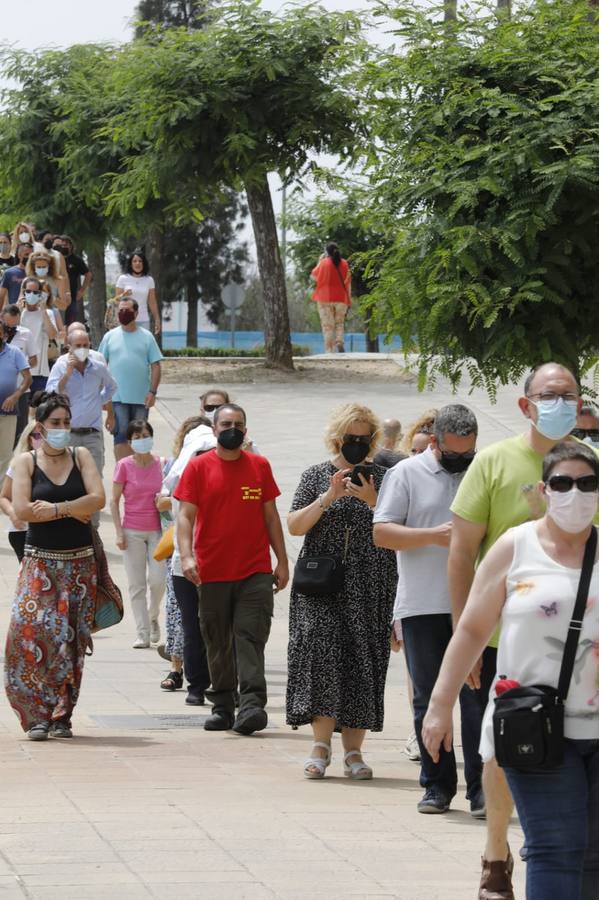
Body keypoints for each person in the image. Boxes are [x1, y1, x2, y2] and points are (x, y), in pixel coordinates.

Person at [424, 440, 599, 900]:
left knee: (594, 855)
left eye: (587, 483)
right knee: (554, 848)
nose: (574, 493)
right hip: (535, 725)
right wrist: (439, 705)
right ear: (543, 489)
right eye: (562, 483)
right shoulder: (515, 546)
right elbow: (471, 629)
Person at [373, 404, 484, 814]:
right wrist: (433, 537)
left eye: (468, 452)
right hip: (423, 604)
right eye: (455, 454)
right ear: (435, 441)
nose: (462, 461)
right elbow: (382, 532)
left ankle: (480, 788)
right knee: (428, 697)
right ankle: (437, 786)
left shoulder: (482, 469)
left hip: (478, 605)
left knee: (478, 699)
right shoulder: (406, 473)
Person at [286, 402, 397, 778]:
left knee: (362, 659)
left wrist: (373, 501)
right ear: (337, 438)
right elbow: (295, 526)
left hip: (372, 582)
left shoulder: (387, 477)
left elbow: (401, 527)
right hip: (320, 584)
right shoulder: (316, 476)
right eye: (352, 438)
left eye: (365, 438)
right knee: (321, 653)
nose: (358, 444)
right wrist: (328, 497)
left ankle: (354, 751)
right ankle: (320, 744)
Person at [176, 403, 289, 735]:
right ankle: (223, 705)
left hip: (254, 571)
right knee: (218, 640)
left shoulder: (259, 466)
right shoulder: (198, 467)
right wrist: (186, 556)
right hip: (210, 571)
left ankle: (252, 705)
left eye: (239, 424)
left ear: (246, 429)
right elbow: (184, 516)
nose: (233, 429)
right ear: (214, 430)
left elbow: (270, 515)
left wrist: (282, 560)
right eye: (226, 423)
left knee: (249, 636)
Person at [4, 391, 105, 740]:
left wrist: (57, 509)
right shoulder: (25, 463)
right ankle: (35, 714)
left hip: (80, 565)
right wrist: (76, 507)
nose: (62, 428)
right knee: (29, 633)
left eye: (66, 422)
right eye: (55, 423)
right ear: (41, 427)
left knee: (72, 642)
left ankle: (62, 714)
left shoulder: (82, 456)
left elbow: (98, 498)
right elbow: (20, 509)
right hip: (40, 564)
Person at [159, 415, 215, 702]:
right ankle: (195, 687)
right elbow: (179, 520)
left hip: (222, 566)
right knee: (192, 627)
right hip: (186, 565)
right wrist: (188, 558)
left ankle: (220, 684)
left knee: (219, 628)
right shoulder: (184, 481)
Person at [111, 419, 166, 649]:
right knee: (136, 585)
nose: (142, 440)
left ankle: (153, 615)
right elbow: (114, 501)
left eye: (145, 435)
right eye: (137, 437)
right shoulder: (124, 465)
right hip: (132, 530)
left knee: (158, 581)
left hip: (158, 531)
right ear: (130, 441)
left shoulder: (162, 464)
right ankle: (142, 632)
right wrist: (118, 532)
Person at [46, 328, 117, 482]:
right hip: (68, 434)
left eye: (85, 345)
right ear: (69, 347)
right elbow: (51, 392)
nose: (82, 349)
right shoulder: (61, 365)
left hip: (93, 434)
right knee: (68, 480)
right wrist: (67, 374)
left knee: (94, 478)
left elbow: (112, 387)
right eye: (78, 345)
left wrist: (100, 400)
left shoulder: (98, 367)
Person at [98, 297, 162, 461]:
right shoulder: (109, 337)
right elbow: (100, 366)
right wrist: (102, 396)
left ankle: (137, 474)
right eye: (120, 310)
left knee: (139, 437)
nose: (123, 314)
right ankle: (122, 474)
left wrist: (152, 392)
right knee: (120, 437)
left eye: (127, 310)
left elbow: (156, 366)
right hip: (117, 398)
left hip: (142, 399)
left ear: (136, 313)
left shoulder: (147, 337)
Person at [0, 422, 43, 561]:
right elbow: (4, 497)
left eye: (46, 435)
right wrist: (13, 514)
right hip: (22, 531)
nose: (41, 439)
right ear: (28, 438)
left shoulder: (66, 463)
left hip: (52, 530)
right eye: (37, 436)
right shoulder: (18, 464)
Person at [0, 318, 32, 482]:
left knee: (5, 454)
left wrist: (15, 396)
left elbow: (28, 379)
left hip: (7, 413)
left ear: (4, 334)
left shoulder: (15, 353)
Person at [1, 305, 37, 445]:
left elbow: (34, 361)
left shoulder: (26, 334)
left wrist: (20, 364)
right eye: (8, 325)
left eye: (14, 325)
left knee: (19, 435)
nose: (11, 329)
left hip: (20, 393)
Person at [19, 277, 58, 396]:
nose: (31, 294)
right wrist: (19, 310)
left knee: (39, 409)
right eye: (28, 291)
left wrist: (43, 311)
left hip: (40, 371)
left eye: (36, 292)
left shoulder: (48, 313)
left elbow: (52, 334)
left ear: (41, 294)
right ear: (23, 292)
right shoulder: (17, 312)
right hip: (19, 371)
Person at [311, 242, 351, 353]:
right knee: (339, 323)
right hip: (341, 298)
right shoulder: (345, 263)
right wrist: (349, 300)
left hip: (324, 298)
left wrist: (319, 261)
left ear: (326, 252)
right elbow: (348, 283)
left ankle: (329, 350)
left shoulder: (323, 263)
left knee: (328, 325)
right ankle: (339, 341)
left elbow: (314, 277)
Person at [115, 249, 161, 335]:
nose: (137, 263)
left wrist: (157, 319)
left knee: (143, 346)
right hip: (126, 319)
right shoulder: (123, 278)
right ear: (131, 263)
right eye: (135, 261)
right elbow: (116, 300)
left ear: (144, 264)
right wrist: (123, 295)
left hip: (143, 320)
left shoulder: (149, 280)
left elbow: (152, 302)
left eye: (140, 261)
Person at [53, 236, 91, 327]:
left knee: (69, 324)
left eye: (66, 245)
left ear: (71, 246)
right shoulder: (53, 259)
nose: (64, 247)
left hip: (71, 297)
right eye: (61, 245)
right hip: (55, 297)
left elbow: (88, 274)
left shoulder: (76, 260)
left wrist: (82, 291)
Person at [0, 240, 33, 307]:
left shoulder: (36, 273)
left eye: (31, 255)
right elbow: (1, 296)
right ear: (19, 255)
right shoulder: (9, 273)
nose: (29, 257)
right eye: (26, 254)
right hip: (15, 313)